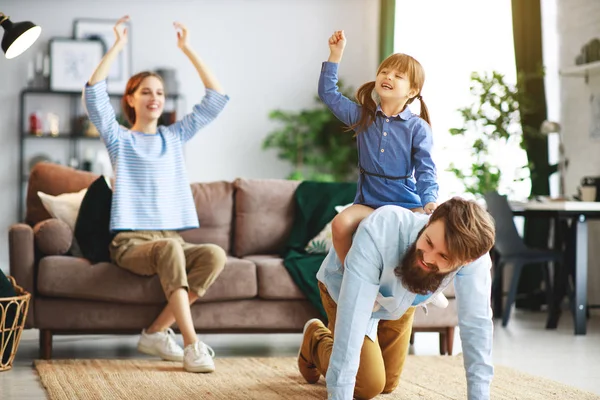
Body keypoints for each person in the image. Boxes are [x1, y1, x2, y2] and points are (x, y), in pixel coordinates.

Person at [84, 16, 229, 373]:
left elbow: (216, 98)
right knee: (170, 250)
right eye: (146, 91)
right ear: (130, 100)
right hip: (132, 243)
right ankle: (192, 346)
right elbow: (93, 92)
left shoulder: (174, 137)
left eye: (160, 92)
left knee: (213, 254)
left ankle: (155, 332)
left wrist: (187, 48)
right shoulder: (120, 139)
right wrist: (117, 45)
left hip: (169, 239)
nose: (154, 98)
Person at [298, 197, 496, 400]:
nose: (428, 258)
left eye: (443, 257)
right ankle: (316, 339)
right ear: (429, 221)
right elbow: (353, 319)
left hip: (400, 300)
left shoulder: (475, 259)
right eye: (428, 242)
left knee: (388, 384)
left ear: (466, 261)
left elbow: (476, 325)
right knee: (369, 385)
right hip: (345, 287)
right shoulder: (381, 229)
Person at [319, 30, 439, 269]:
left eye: (398, 75)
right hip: (369, 203)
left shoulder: (418, 128)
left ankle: (425, 284)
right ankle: (352, 273)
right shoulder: (362, 116)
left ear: (412, 91)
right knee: (340, 225)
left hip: (405, 203)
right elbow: (328, 94)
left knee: (431, 235)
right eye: (384, 72)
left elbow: (426, 171)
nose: (388, 77)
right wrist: (335, 54)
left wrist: (430, 202)